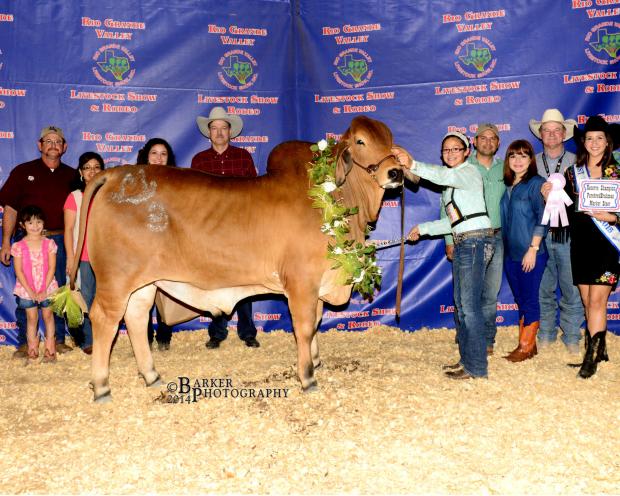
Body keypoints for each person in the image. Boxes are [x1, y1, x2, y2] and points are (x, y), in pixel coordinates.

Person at [397, 131, 494, 379]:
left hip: (475, 242)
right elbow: (455, 222)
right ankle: (468, 361)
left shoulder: (468, 172)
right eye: (446, 150)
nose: (450, 154)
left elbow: (441, 175)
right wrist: (423, 229)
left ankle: (477, 368)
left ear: (466, 152)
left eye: (455, 149)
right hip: (465, 241)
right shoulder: (451, 188)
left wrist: (413, 164)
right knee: (462, 307)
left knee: (469, 308)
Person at [546, 115, 620, 378]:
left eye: (600, 138)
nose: (595, 142)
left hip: (607, 243)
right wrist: (550, 196)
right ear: (583, 142)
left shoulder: (617, 172)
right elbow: (565, 207)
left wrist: (610, 217)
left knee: (598, 301)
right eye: (590, 138)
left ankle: (590, 359)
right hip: (581, 245)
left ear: (608, 142)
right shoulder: (571, 173)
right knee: (588, 302)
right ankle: (599, 348)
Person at [0, 126, 78, 358]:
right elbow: (11, 209)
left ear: (64, 147)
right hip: (27, 244)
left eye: (58, 141)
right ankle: (26, 343)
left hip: (61, 240)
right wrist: (6, 242)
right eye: (48, 140)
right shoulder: (23, 172)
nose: (53, 145)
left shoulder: (72, 176)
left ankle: (59, 340)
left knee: (58, 290)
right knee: (27, 291)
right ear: (40, 145)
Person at [191, 106, 260, 349]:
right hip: (211, 230)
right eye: (214, 128)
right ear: (208, 132)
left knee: (244, 280)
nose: (219, 132)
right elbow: (194, 198)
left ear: (230, 131)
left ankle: (248, 332)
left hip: (240, 227)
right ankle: (217, 333)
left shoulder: (244, 157)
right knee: (215, 280)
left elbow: (254, 192)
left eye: (223, 128)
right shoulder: (199, 160)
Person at [530, 110, 584, 353]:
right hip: (539, 235)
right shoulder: (530, 162)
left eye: (556, 130)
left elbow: (585, 200)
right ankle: (546, 333)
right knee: (543, 287)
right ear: (540, 135)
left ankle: (572, 337)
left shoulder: (578, 161)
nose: (551, 135)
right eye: (546, 130)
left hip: (569, 234)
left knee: (572, 288)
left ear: (564, 133)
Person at [500, 140, 548, 362]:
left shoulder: (537, 183)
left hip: (532, 252)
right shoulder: (507, 186)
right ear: (508, 160)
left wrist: (533, 248)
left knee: (529, 299)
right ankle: (530, 345)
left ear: (531, 160)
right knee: (520, 298)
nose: (517, 161)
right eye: (513, 156)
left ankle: (525, 346)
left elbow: (543, 218)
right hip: (510, 254)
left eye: (523, 156)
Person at [466, 123, 505, 355]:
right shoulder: (462, 166)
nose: (488, 142)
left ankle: (488, 339)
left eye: (493, 138)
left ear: (498, 143)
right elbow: (446, 204)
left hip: (497, 237)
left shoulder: (505, 168)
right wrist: (449, 241)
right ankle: (467, 336)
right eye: (483, 138)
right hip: (469, 239)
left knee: (490, 293)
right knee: (468, 293)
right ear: (475, 141)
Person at [136, 138, 177, 351]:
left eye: (163, 154)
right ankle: (145, 337)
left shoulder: (178, 183)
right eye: (154, 153)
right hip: (143, 244)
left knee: (166, 290)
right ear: (146, 156)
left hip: (168, 243)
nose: (159, 158)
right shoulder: (135, 182)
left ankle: (164, 335)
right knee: (143, 293)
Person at [63, 152, 105, 355]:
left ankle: (103, 338)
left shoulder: (108, 194)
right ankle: (88, 339)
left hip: (106, 257)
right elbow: (69, 230)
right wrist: (72, 258)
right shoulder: (75, 197)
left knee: (104, 298)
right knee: (87, 298)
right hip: (84, 257)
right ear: (80, 172)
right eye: (87, 168)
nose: (92, 171)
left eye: (96, 167)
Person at [11, 206, 59, 363]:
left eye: (39, 221)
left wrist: (44, 288)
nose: (35, 226)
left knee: (48, 315)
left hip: (47, 287)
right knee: (31, 318)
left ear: (44, 223)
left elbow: (52, 267)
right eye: (30, 222)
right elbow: (18, 271)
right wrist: (30, 291)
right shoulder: (18, 246)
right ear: (22, 225)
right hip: (26, 290)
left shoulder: (49, 243)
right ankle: (32, 347)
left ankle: (50, 346)